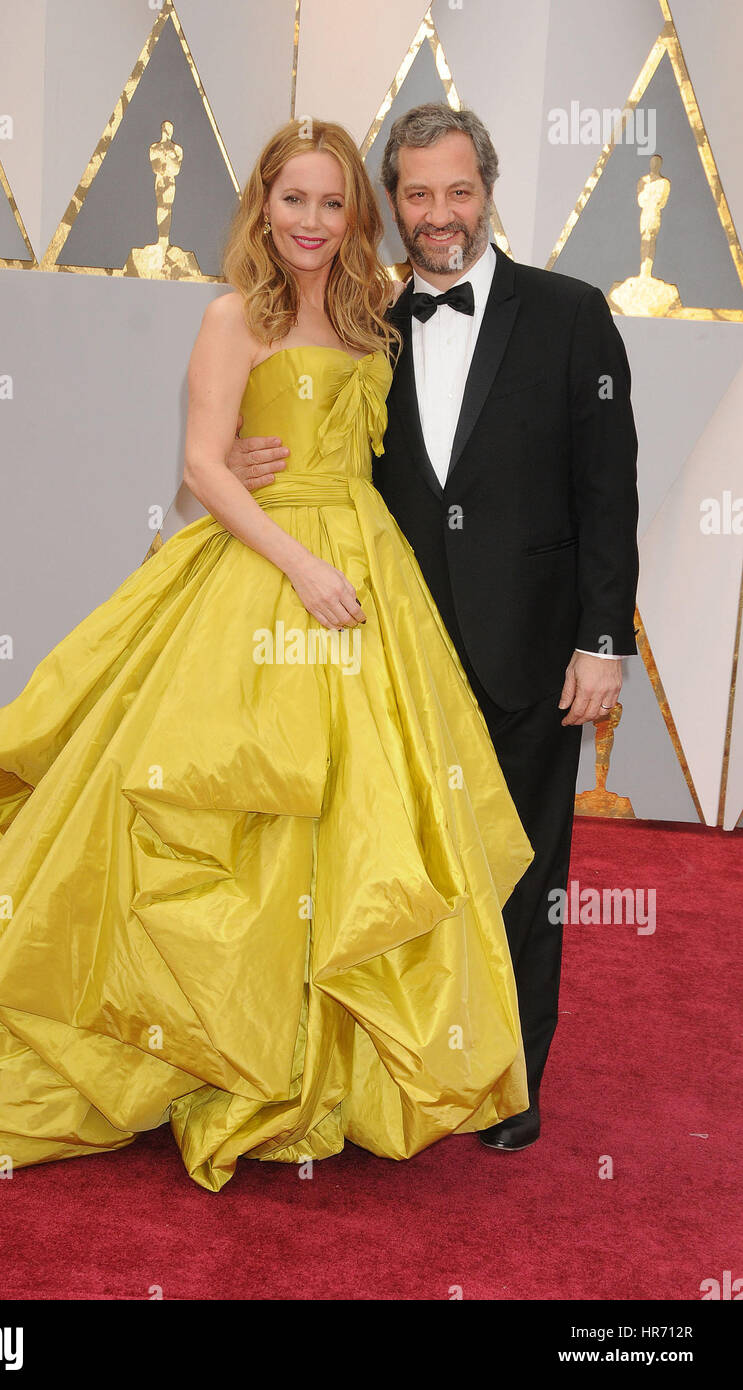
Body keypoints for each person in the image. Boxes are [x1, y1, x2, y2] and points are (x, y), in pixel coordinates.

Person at [0, 119, 534, 1193]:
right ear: (262, 208)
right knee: (228, 812)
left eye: (330, 203)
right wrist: (296, 561)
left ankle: (309, 1063)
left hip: (368, 577)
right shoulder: (235, 315)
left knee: (353, 825)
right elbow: (199, 466)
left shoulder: (376, 314)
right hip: (268, 576)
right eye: (293, 201)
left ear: (352, 215)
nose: (311, 222)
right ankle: (192, 1051)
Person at [227, 105, 639, 1152]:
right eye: (416, 193)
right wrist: (238, 468)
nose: (439, 213)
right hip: (390, 656)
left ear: (486, 189)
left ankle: (505, 1084)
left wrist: (603, 640)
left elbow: (607, 492)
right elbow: (313, 459)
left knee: (522, 871)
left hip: (530, 652)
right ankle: (391, 1070)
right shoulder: (362, 321)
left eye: (458, 190)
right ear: (392, 201)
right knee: (387, 871)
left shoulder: (570, 315)